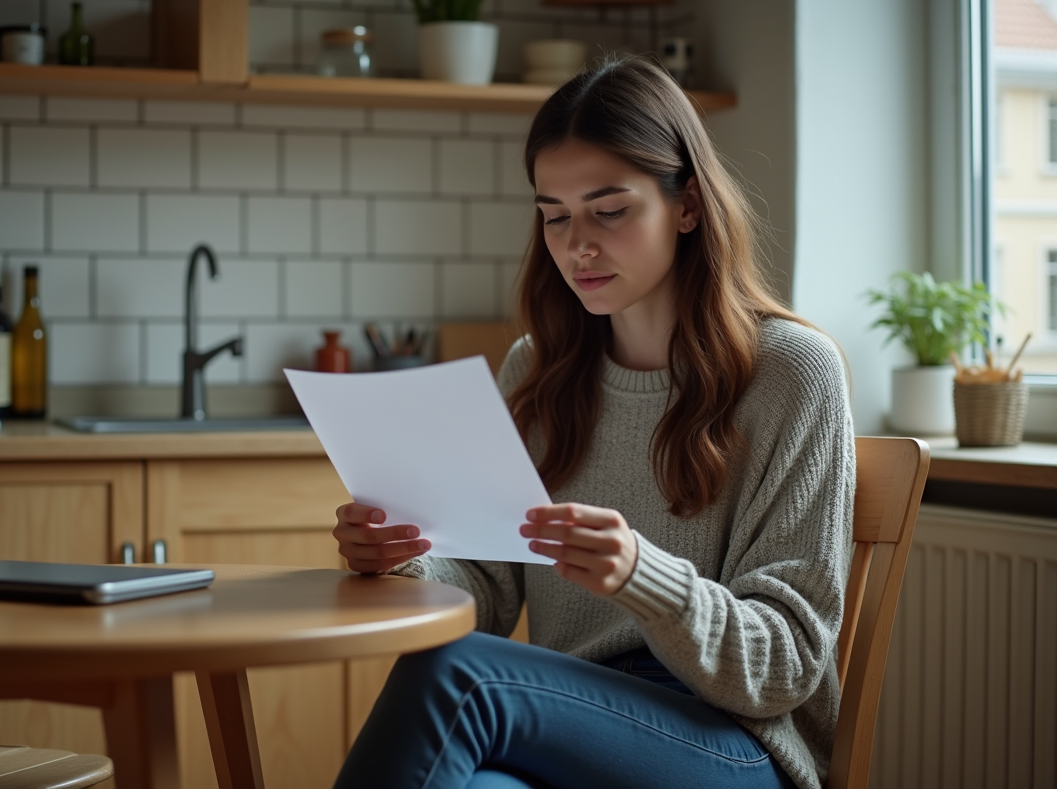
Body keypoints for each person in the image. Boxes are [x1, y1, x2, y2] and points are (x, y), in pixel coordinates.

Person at [331, 56, 855, 789]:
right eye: (554, 216)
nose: (578, 244)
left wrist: (643, 575)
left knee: (457, 677)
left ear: (689, 205)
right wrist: (405, 557)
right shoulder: (538, 369)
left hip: (734, 744)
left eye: (610, 210)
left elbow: (787, 664)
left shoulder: (792, 373)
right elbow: (484, 590)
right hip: (566, 722)